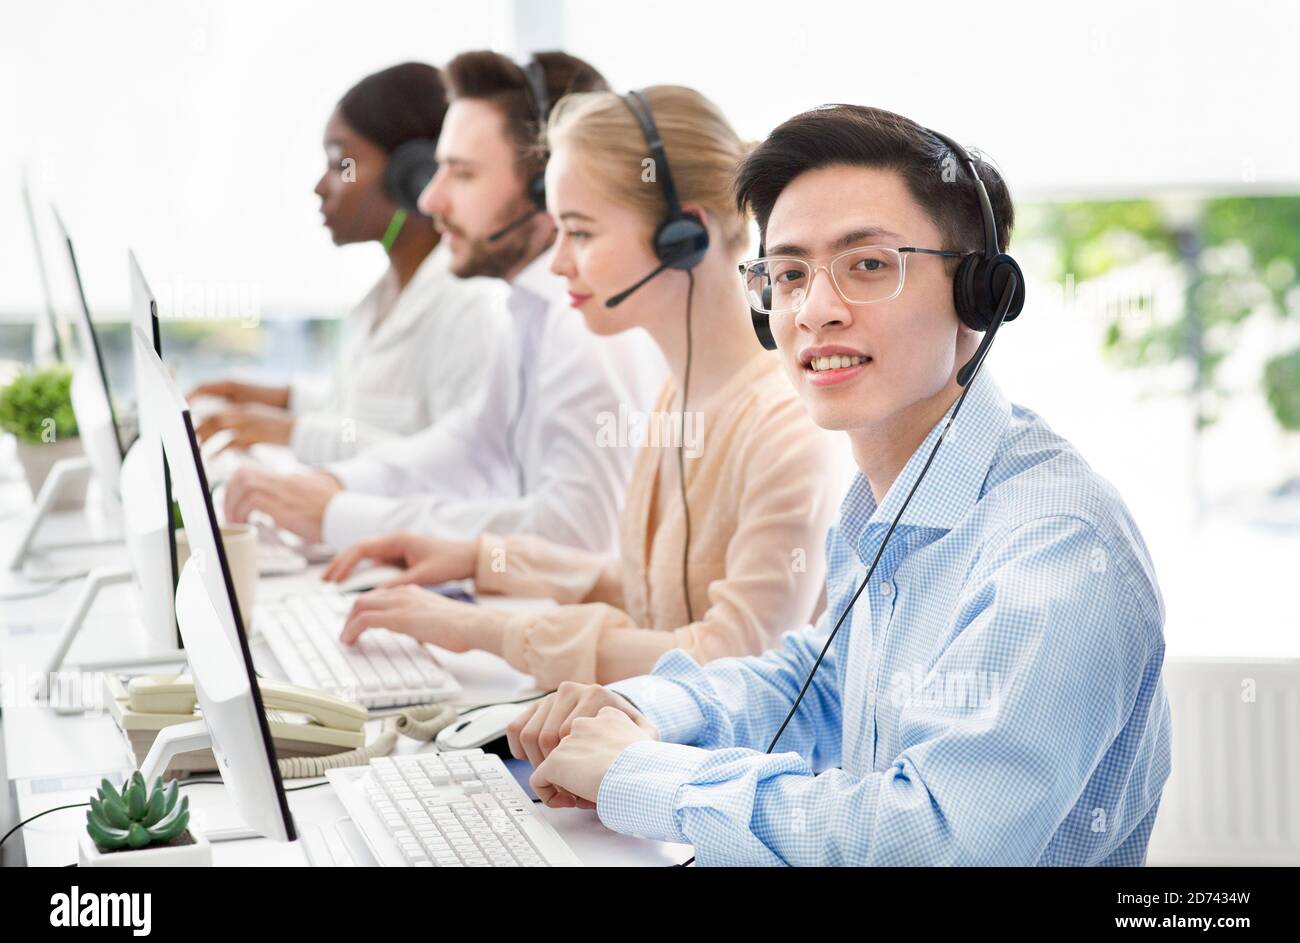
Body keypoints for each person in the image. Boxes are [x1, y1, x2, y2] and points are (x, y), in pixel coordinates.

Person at [507, 104, 1173, 866]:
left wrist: (645, 776)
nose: (815, 311)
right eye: (790, 275)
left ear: (977, 298)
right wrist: (647, 709)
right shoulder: (887, 500)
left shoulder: (1055, 549)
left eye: (868, 266)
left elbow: (929, 838)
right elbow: (821, 683)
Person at [320, 86, 843, 690]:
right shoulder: (681, 396)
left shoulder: (786, 429)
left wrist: (486, 630)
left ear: (683, 238)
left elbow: (732, 659)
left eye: (582, 233)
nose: (559, 263)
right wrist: (479, 559)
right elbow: (655, 591)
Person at [221, 52, 664, 554]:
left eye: (463, 174)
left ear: (547, 188)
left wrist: (341, 516)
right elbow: (471, 446)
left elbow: (580, 536)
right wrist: (333, 486)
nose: (429, 200)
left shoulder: (586, 324)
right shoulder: (529, 311)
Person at [188, 62, 506, 465]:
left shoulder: (470, 306)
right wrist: (276, 399)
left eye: (342, 165)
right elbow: (358, 415)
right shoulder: (383, 296)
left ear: (413, 175)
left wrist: (291, 432)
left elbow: (460, 467)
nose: (320, 187)